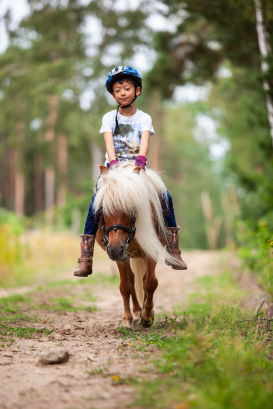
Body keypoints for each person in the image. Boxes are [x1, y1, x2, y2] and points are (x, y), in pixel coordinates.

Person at [73, 65, 187, 277]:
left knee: (164, 196)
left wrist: (141, 161)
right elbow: (108, 142)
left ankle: (174, 249)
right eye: (117, 90)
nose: (122, 93)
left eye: (126, 88)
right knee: (95, 202)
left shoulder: (144, 118)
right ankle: (86, 257)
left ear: (137, 91)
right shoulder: (108, 118)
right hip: (115, 170)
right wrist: (114, 165)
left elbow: (144, 140)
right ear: (113, 94)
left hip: (137, 169)